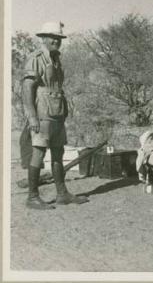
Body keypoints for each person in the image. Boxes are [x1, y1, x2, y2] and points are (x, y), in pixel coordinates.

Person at [22, 21, 88, 209]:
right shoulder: (35, 58)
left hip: (58, 112)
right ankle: (32, 197)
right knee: (39, 152)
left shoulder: (56, 59)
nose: (56, 41)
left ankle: (62, 193)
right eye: (53, 38)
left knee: (58, 152)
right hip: (42, 113)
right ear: (43, 38)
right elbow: (27, 89)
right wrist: (32, 116)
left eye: (59, 38)